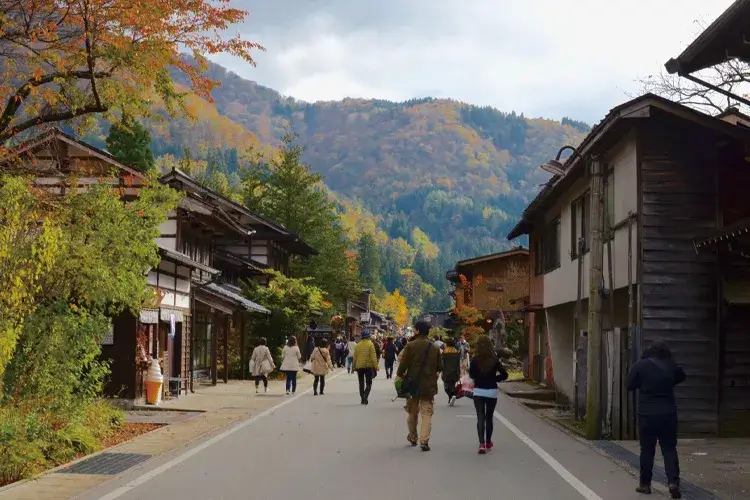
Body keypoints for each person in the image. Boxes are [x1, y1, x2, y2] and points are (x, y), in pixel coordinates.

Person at [627, 340, 686, 499]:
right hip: (668, 414)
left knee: (647, 450)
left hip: (647, 414)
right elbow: (682, 376)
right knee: (669, 448)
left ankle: (645, 485)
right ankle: (673, 482)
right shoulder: (671, 365)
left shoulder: (640, 365)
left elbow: (629, 385)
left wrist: (643, 383)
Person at [396, 321, 442, 451]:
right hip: (428, 384)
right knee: (427, 412)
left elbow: (402, 367)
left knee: (412, 412)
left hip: (413, 384)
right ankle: (424, 440)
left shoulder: (410, 346)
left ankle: (413, 436)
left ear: (416, 331)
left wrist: (401, 375)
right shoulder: (435, 348)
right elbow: (440, 366)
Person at [469, 335, 508, 454]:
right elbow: (505, 374)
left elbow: (472, 375)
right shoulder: (494, 359)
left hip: (478, 390)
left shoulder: (475, 359)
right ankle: (488, 441)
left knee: (480, 416)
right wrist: (494, 378)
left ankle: (481, 444)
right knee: (489, 417)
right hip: (491, 391)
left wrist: (479, 377)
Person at [353, 331, 379, 405]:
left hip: (359, 367)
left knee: (361, 383)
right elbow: (373, 357)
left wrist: (354, 366)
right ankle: (365, 396)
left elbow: (355, 357)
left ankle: (362, 397)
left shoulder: (358, 345)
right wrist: (376, 366)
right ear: (368, 336)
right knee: (369, 383)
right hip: (368, 367)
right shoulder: (370, 344)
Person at [441, 337, 461, 406]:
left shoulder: (444, 353)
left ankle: (452, 395)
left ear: (447, 344)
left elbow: (442, 363)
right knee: (452, 385)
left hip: (446, 372)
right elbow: (458, 363)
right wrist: (459, 372)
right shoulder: (457, 352)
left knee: (446, 387)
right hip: (455, 372)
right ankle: (452, 397)